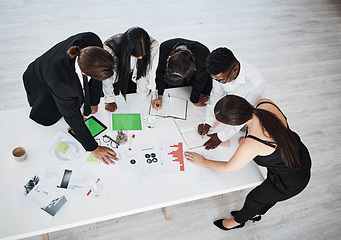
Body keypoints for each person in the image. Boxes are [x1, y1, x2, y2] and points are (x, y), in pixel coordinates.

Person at [185, 95, 311, 231]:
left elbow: (229, 167)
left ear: (234, 123)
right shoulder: (265, 104)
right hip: (298, 157)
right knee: (266, 197)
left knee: (254, 199)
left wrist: (204, 162)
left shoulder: (252, 143)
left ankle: (237, 222)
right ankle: (255, 213)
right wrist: (245, 141)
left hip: (290, 181)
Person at [23, 32, 118, 165]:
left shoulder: (92, 41)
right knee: (48, 116)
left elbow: (96, 78)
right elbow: (72, 116)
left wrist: (94, 101)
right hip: (39, 79)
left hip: (57, 70)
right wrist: (93, 147)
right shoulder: (61, 83)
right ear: (84, 73)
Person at [199, 47, 266, 150]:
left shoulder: (256, 83)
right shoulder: (220, 74)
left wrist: (221, 137)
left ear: (235, 69)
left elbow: (244, 114)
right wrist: (209, 121)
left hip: (252, 115)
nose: (218, 82)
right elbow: (216, 95)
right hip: (230, 109)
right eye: (215, 79)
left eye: (221, 80)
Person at [103, 27, 159, 112]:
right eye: (136, 56)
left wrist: (143, 91)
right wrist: (109, 99)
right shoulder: (110, 47)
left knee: (135, 102)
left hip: (133, 75)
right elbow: (108, 75)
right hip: (117, 74)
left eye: (142, 56)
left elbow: (145, 69)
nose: (140, 58)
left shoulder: (153, 45)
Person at [152, 38, 212, 109]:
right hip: (175, 69)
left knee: (205, 90)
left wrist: (194, 99)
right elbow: (160, 71)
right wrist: (159, 95)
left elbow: (200, 80)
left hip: (200, 71)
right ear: (168, 59)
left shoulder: (203, 54)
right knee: (170, 87)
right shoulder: (165, 47)